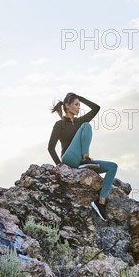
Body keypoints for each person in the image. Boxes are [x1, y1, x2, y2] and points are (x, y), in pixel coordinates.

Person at [48, 92, 118, 221]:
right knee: (86, 125)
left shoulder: (79, 121)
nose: (79, 107)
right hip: (69, 159)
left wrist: (81, 98)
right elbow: (50, 148)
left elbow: (96, 108)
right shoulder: (60, 124)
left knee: (112, 167)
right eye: (76, 104)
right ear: (67, 106)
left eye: (79, 105)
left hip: (80, 163)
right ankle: (86, 158)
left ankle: (100, 202)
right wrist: (59, 165)